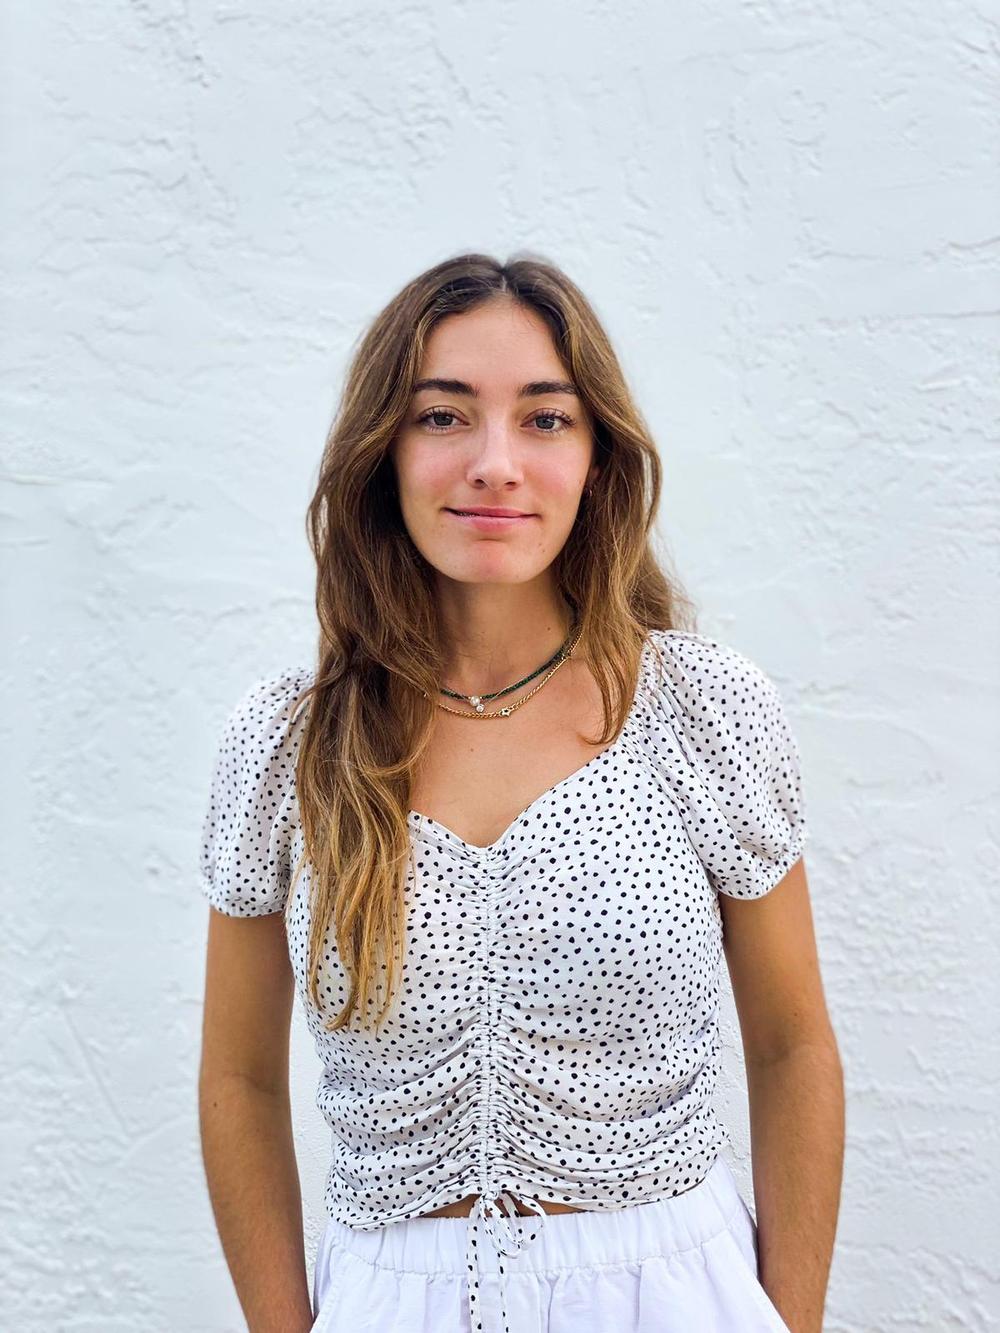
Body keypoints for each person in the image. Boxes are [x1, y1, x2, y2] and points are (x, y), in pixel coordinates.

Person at [196, 253, 844, 1333]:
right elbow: (239, 1078)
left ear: (596, 459)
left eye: (545, 419)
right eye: (442, 416)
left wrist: (791, 1320)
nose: (495, 464)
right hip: (388, 1301)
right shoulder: (288, 744)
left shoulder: (701, 708)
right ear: (383, 453)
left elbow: (793, 1044)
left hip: (670, 1293)